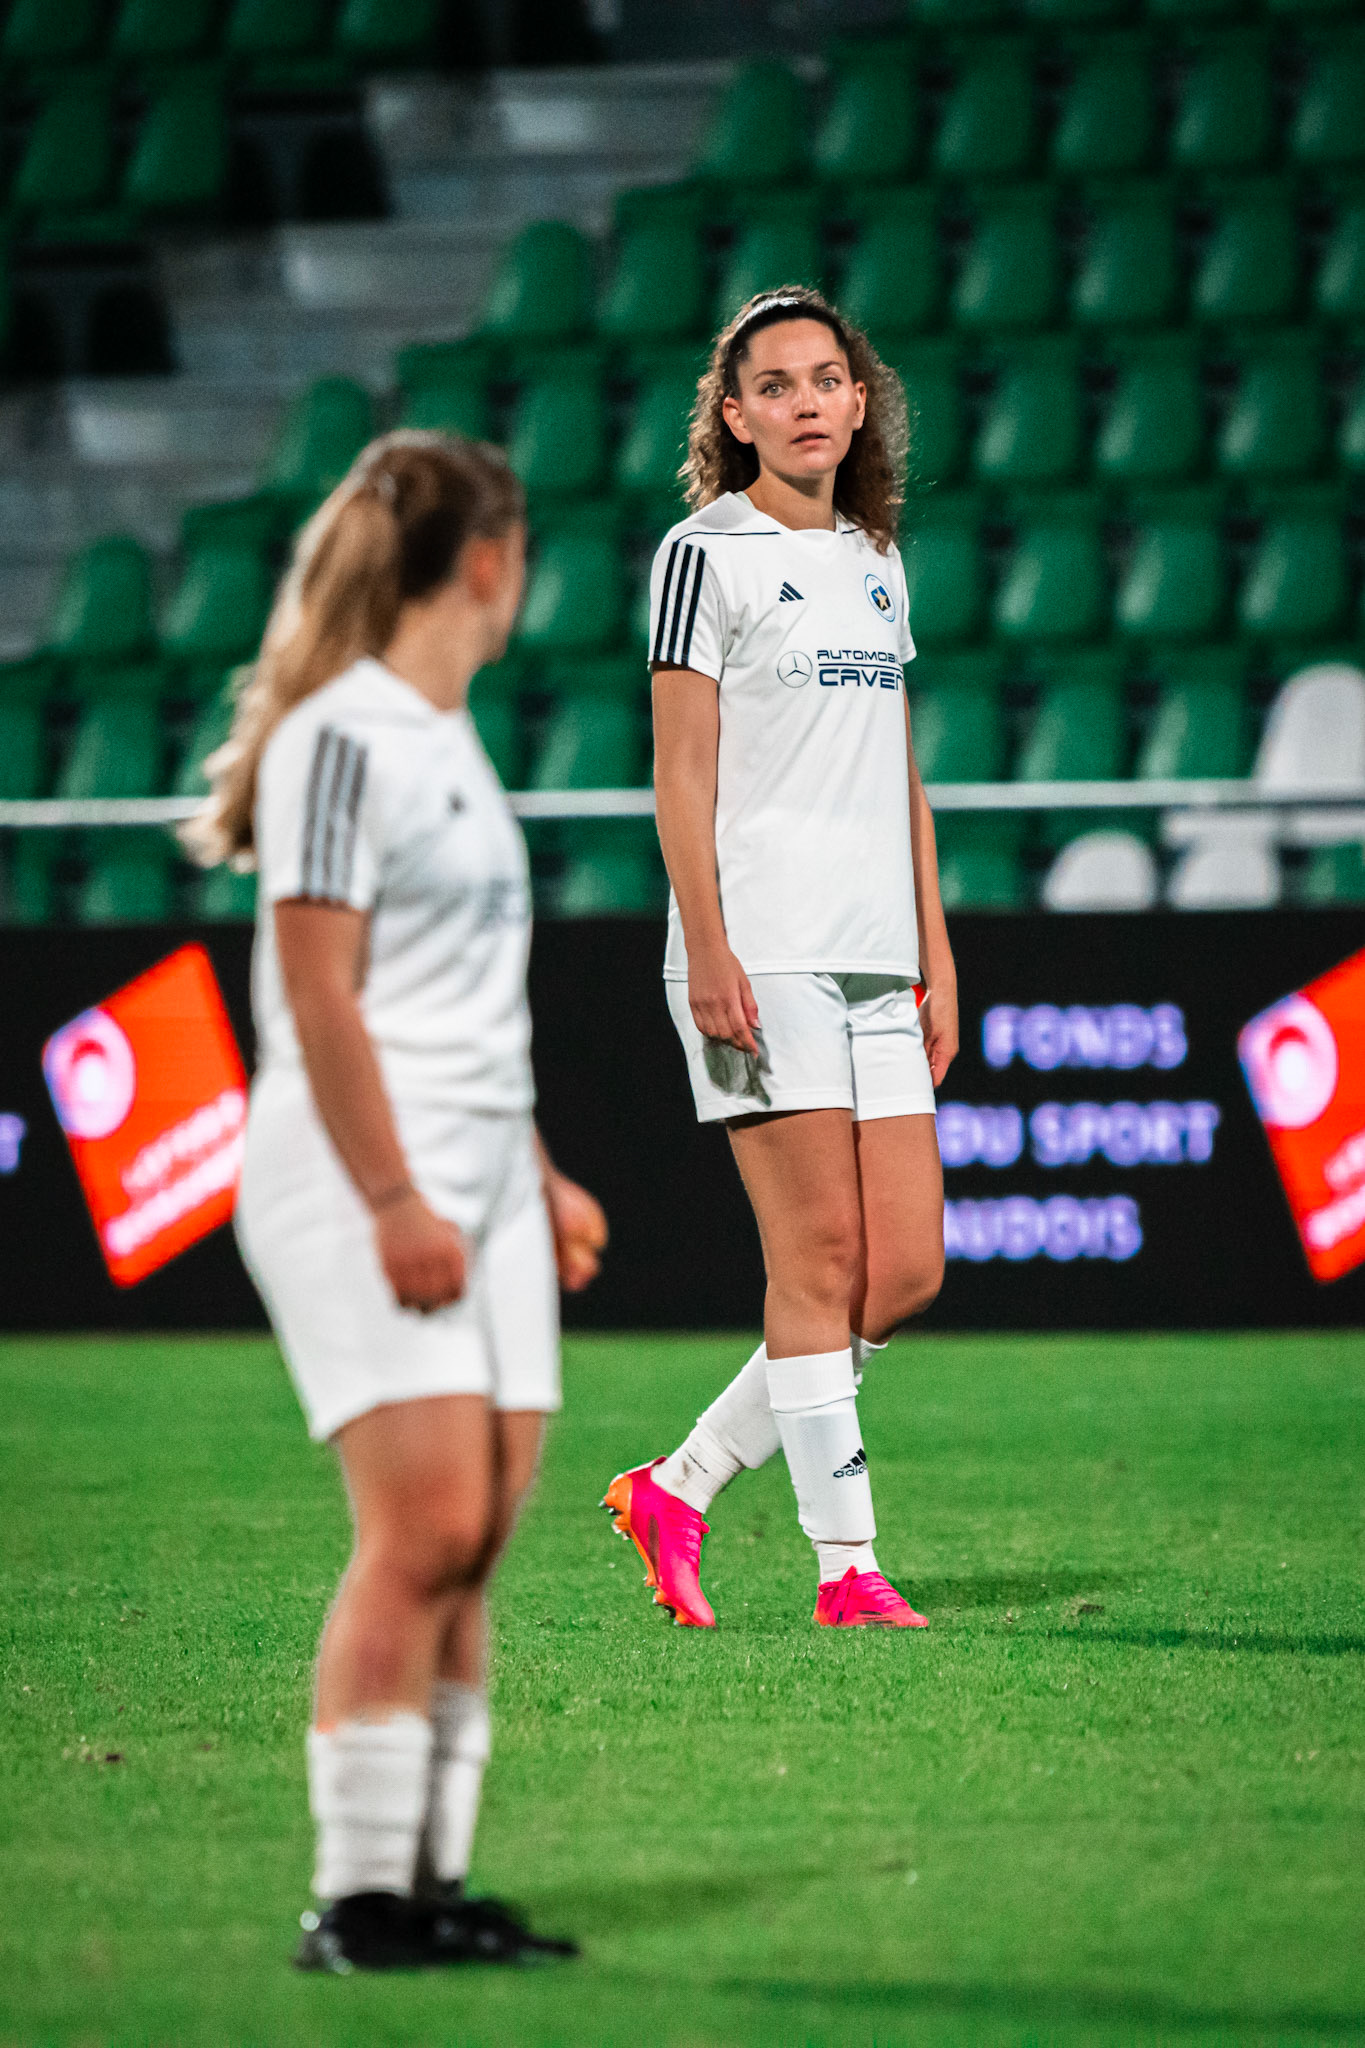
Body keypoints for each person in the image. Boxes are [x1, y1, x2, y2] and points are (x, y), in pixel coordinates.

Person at [189, 431, 607, 1972]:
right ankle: (356, 1900)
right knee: (423, 1527)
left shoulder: (446, 732)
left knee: (477, 1535)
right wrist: (393, 1197)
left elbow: (460, 999)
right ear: (487, 560)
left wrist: (536, 1173)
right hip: (368, 1176)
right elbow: (319, 995)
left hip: (481, 1175)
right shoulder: (341, 737)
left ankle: (428, 1880)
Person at [603, 288, 957, 1632]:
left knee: (902, 1271)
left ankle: (679, 1484)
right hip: (764, 946)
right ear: (735, 414)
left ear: (859, 401)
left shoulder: (875, 553)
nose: (807, 402)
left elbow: (899, 774)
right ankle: (846, 1570)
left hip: (875, 955)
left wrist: (934, 949)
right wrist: (706, 944)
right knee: (814, 1259)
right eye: (777, 384)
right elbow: (677, 771)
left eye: (828, 379)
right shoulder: (706, 553)